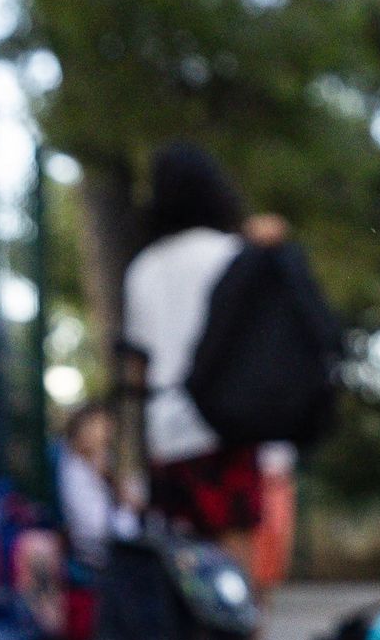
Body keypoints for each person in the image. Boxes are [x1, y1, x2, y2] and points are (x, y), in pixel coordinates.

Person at [119, 141, 288, 570]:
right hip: (229, 430)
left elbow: (137, 370)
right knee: (238, 565)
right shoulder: (234, 256)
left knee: (181, 565)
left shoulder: (143, 269)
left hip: (169, 435)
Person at [55, 404, 138, 563]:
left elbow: (136, 498)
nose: (107, 436)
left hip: (117, 548)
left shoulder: (102, 464)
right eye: (101, 428)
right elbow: (99, 528)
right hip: (97, 555)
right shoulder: (74, 470)